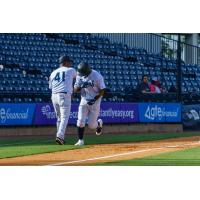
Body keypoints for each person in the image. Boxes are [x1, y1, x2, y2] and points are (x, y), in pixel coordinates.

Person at [74, 62, 106, 146]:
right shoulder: (79, 75)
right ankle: (80, 140)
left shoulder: (97, 76)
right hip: (84, 99)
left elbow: (102, 90)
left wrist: (95, 99)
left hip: (95, 100)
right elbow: (75, 90)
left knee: (91, 125)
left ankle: (99, 123)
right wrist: (80, 85)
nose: (81, 74)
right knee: (80, 120)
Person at [49, 56, 76, 145]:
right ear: (65, 62)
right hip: (64, 95)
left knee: (59, 118)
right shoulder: (70, 70)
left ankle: (61, 138)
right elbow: (78, 78)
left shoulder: (53, 73)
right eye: (69, 62)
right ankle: (60, 136)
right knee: (64, 118)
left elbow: (50, 87)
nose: (71, 63)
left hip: (54, 96)